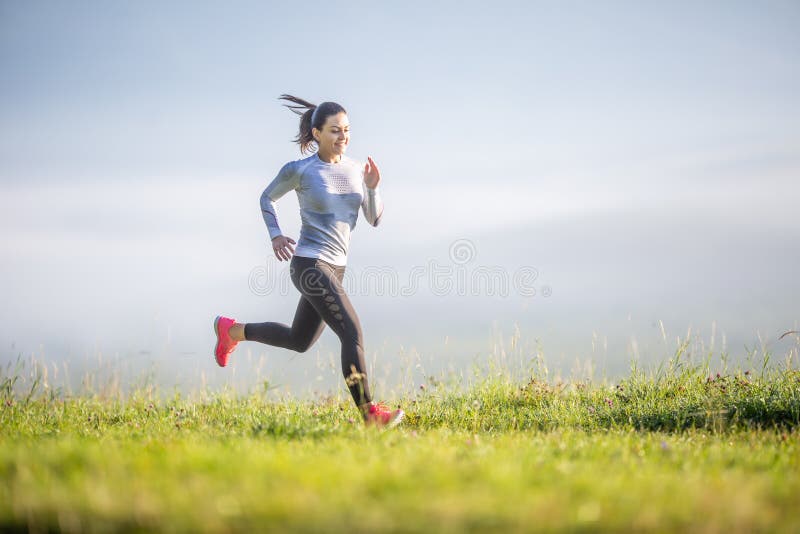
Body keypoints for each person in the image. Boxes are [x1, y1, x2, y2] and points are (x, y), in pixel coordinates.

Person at [213, 94, 403, 429]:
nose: (342, 136)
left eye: (346, 130)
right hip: (309, 265)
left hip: (336, 268)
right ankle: (370, 414)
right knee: (352, 332)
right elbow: (266, 197)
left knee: (299, 341)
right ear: (316, 133)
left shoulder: (358, 170)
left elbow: (374, 219)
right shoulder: (300, 170)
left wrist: (373, 188)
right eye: (334, 130)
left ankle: (232, 331)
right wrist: (275, 234)